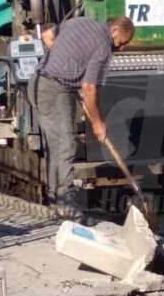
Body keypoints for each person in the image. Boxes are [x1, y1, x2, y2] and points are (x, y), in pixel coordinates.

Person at [29, 15, 135, 220]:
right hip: (54, 89)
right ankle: (66, 204)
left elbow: (46, 36)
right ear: (114, 30)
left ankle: (55, 200)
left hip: (38, 82)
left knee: (57, 145)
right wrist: (98, 124)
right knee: (66, 146)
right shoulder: (103, 46)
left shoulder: (81, 21)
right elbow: (89, 88)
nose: (121, 48)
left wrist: (67, 67)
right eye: (122, 42)